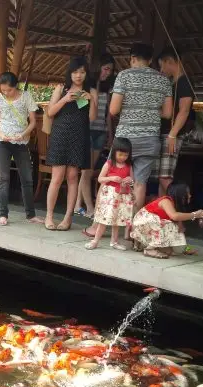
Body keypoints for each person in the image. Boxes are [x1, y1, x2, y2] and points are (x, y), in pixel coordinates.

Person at [83, 43, 173, 240]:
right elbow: (167, 113)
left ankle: (96, 226)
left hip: (125, 139)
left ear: (132, 58)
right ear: (150, 60)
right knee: (139, 184)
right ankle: (130, 230)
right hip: (150, 138)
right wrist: (149, 111)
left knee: (110, 182)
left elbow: (113, 110)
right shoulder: (163, 80)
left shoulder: (124, 76)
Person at [45, 56, 98, 231]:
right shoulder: (61, 88)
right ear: (70, 73)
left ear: (86, 74)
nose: (78, 75)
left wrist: (91, 101)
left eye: (82, 72)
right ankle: (49, 216)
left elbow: (92, 118)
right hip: (60, 135)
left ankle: (68, 218)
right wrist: (65, 99)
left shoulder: (90, 91)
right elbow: (50, 112)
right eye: (75, 72)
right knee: (57, 177)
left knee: (73, 177)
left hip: (79, 136)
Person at [0, 72, 43, 226]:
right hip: (2, 142)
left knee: (27, 178)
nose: (6, 93)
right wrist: (1, 134)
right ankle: (3, 214)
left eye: (9, 90)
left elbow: (32, 121)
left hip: (21, 143)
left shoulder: (26, 97)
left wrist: (23, 134)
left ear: (16, 86)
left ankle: (30, 215)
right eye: (3, 90)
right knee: (3, 178)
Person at [75, 54, 115, 219]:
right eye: (106, 69)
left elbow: (108, 115)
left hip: (101, 131)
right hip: (87, 130)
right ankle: (91, 209)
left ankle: (78, 205)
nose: (107, 73)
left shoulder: (107, 88)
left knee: (88, 171)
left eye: (110, 70)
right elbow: (80, 109)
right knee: (87, 171)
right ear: (98, 67)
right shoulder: (83, 86)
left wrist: (110, 134)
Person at [154, 47, 195, 196]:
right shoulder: (174, 82)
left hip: (172, 135)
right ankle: (163, 214)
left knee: (165, 177)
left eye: (161, 65)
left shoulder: (184, 82)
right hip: (168, 133)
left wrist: (172, 134)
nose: (161, 69)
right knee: (163, 177)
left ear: (169, 61)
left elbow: (184, 110)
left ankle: (181, 200)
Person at [131, 183, 203, 259]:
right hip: (141, 224)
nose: (190, 195)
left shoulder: (176, 206)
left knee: (176, 249)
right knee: (171, 226)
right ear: (181, 194)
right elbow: (174, 216)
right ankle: (149, 249)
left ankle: (146, 245)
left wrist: (186, 248)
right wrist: (194, 215)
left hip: (150, 228)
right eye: (188, 193)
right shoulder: (166, 201)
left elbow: (179, 230)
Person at [85, 138, 134, 250]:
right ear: (115, 151)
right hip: (110, 195)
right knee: (104, 219)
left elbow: (132, 179)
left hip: (122, 195)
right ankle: (95, 240)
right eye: (120, 154)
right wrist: (111, 178)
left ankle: (114, 241)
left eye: (125, 155)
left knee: (117, 219)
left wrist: (129, 180)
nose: (123, 157)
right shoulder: (109, 163)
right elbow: (100, 179)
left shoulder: (128, 165)